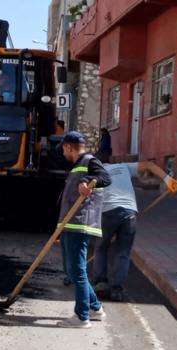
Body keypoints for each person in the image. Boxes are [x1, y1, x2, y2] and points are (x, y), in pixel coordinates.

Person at [92, 160, 177, 301]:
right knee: (123, 252)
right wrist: (168, 179)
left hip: (108, 211)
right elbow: (148, 165)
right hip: (129, 212)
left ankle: (101, 283)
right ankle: (116, 289)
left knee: (101, 247)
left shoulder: (96, 171)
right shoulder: (123, 166)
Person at [56, 131, 111, 328]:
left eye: (63, 149)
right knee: (73, 271)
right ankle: (96, 308)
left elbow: (105, 177)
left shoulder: (90, 161)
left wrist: (86, 180)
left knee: (77, 271)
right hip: (71, 225)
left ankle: (81, 317)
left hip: (80, 225)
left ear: (68, 146)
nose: (63, 153)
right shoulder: (78, 165)